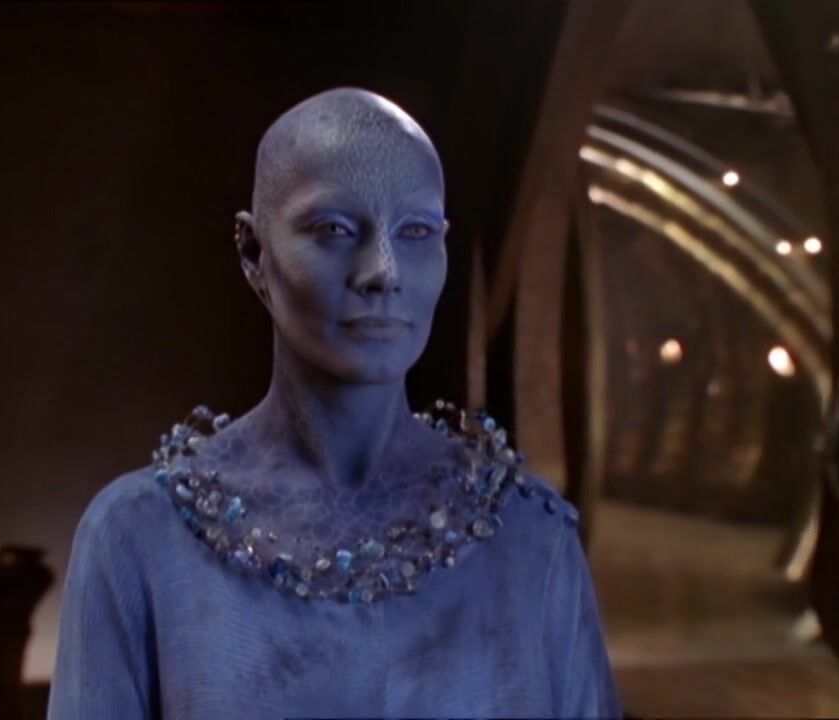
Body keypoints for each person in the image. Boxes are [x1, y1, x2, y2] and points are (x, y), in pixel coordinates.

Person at [47, 87, 622, 719]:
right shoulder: (139, 536)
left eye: (416, 232)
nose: (383, 271)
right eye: (334, 230)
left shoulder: (530, 536)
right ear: (253, 252)